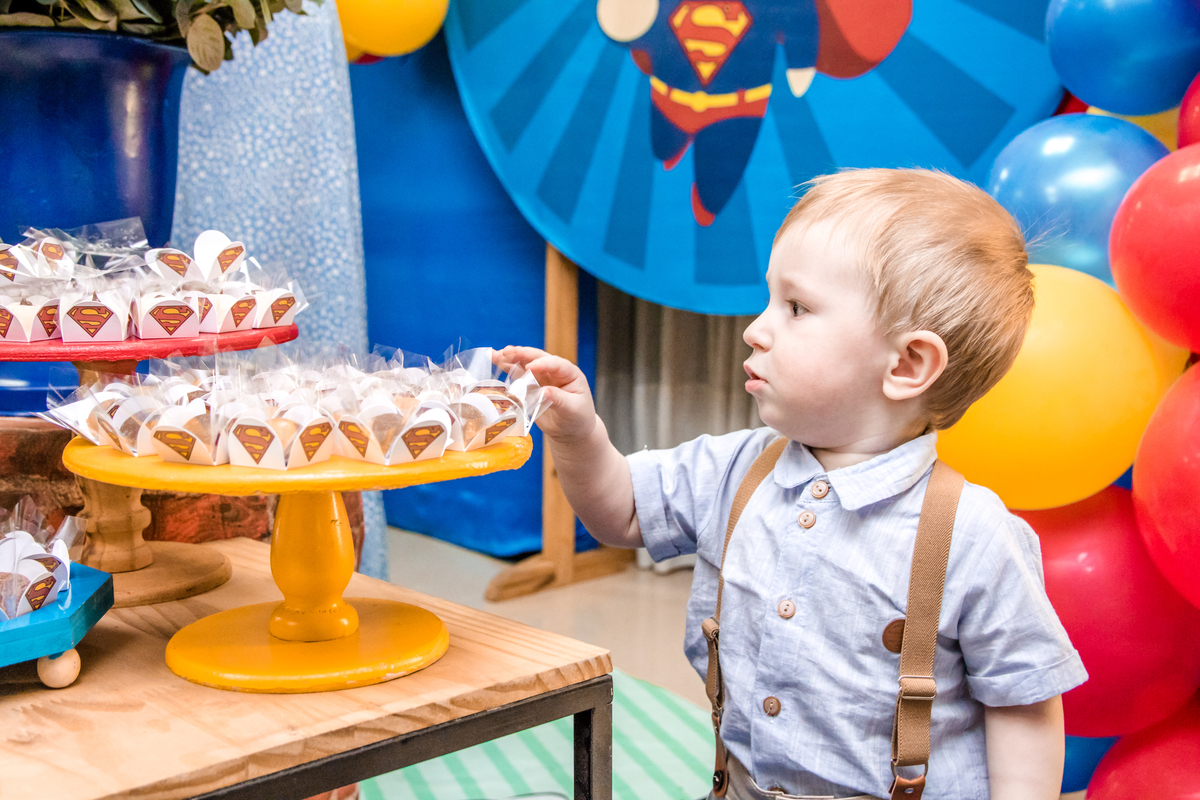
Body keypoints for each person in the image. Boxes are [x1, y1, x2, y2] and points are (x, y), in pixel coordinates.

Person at [495, 168, 1087, 800]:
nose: (755, 328)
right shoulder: (737, 468)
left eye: (797, 308)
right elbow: (622, 514)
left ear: (908, 364)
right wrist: (580, 434)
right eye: (769, 299)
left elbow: (1023, 705)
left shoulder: (973, 535)